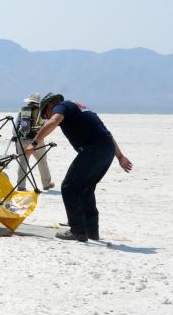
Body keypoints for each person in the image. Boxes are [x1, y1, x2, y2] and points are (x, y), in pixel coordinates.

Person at [26, 93, 132, 242]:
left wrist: (35, 143)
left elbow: (54, 121)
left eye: (45, 114)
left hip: (93, 150)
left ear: (50, 105)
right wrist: (120, 156)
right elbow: (107, 134)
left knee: (69, 187)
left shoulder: (61, 107)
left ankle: (77, 231)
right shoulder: (79, 108)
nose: (47, 117)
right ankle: (91, 231)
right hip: (106, 149)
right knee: (86, 188)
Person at [13, 92, 54, 191]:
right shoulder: (41, 112)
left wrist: (15, 136)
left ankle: (21, 186)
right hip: (37, 140)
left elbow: (16, 125)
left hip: (22, 139)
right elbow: (46, 126)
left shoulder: (22, 110)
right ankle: (46, 184)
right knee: (42, 161)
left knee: (23, 163)